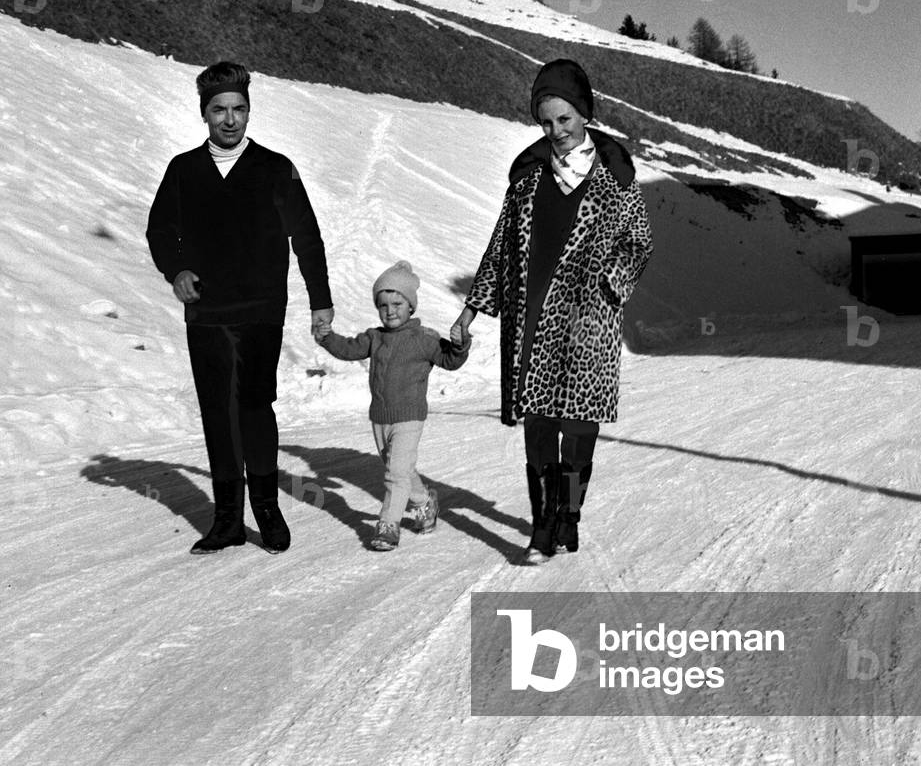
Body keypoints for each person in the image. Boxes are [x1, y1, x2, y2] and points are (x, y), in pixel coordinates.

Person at [451, 59, 653, 564]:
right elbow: (500, 247)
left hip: (588, 320)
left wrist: (611, 285)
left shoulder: (617, 177)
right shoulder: (526, 178)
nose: (556, 131)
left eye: (564, 120)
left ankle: (570, 515)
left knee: (578, 427)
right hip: (532, 320)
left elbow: (639, 242)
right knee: (539, 426)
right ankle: (543, 526)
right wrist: (472, 310)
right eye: (546, 122)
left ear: (583, 114)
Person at [146, 62, 333, 555]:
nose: (230, 120)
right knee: (216, 412)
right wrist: (177, 270)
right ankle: (227, 519)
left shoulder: (275, 168)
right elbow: (161, 231)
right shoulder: (183, 170)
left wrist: (321, 302)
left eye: (238, 110)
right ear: (204, 114)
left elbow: (307, 238)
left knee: (252, 405)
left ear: (249, 111)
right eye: (219, 111)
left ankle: (267, 511)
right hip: (206, 312)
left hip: (260, 308)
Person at [315, 261, 471, 551]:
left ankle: (388, 525)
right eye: (383, 305)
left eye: (397, 303)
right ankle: (425, 503)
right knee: (399, 468)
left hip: (409, 417)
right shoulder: (375, 338)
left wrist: (461, 345)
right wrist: (327, 338)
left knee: (395, 473)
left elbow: (450, 360)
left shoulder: (423, 339)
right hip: (380, 417)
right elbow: (349, 349)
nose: (390, 310)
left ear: (411, 305)